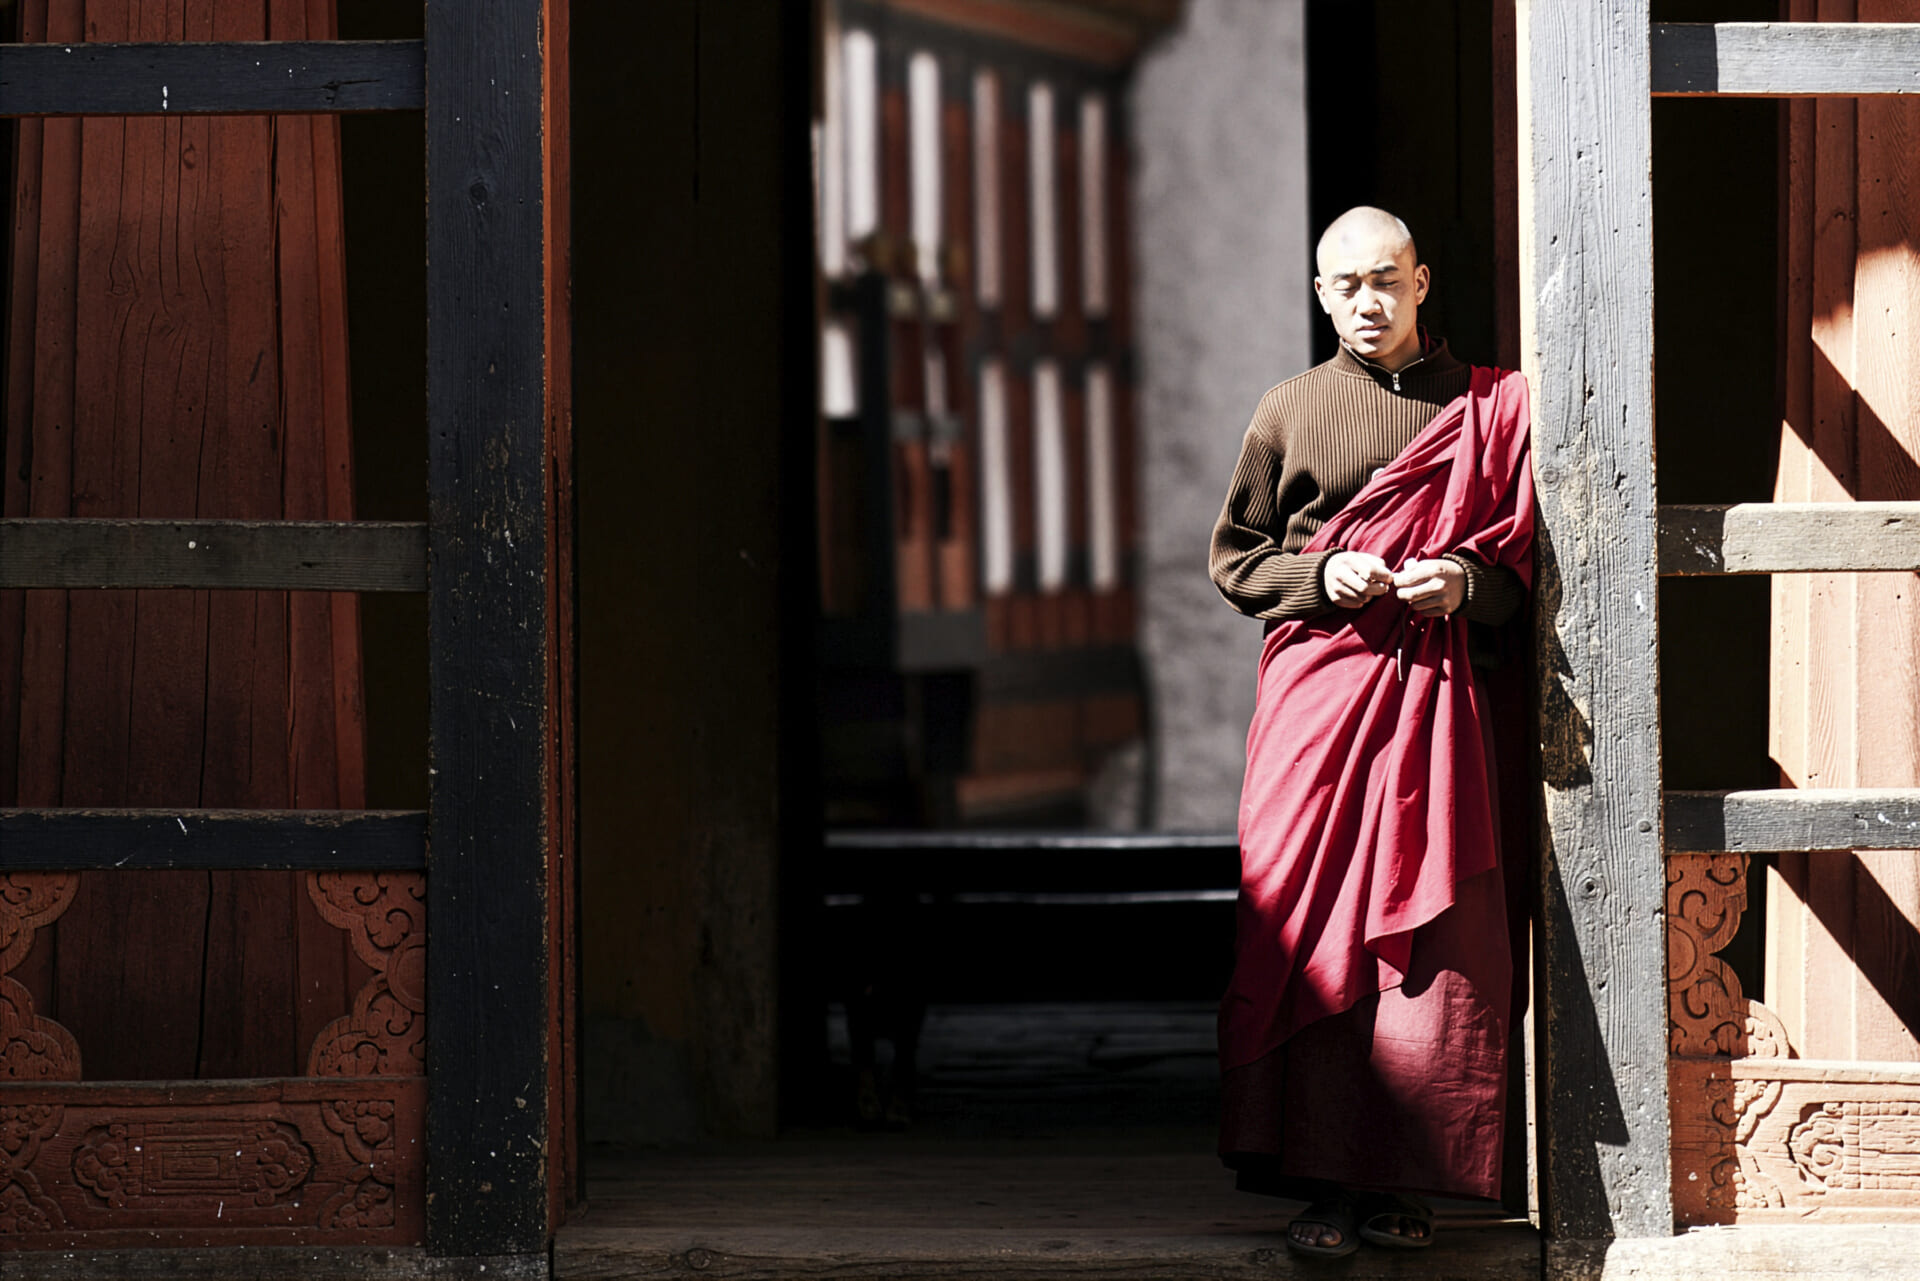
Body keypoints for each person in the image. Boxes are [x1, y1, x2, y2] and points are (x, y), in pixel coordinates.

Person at [1207, 206, 1536, 1258]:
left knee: (1428, 937)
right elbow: (1235, 560)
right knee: (1303, 928)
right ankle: (1319, 1181)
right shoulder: (1290, 407)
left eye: (1386, 280)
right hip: (1320, 699)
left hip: (1435, 702)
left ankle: (1404, 1182)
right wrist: (1321, 574)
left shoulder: (1492, 406)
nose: (1367, 302)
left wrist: (1466, 583)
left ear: (1421, 282)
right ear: (1320, 294)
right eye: (1345, 285)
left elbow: (1527, 569)